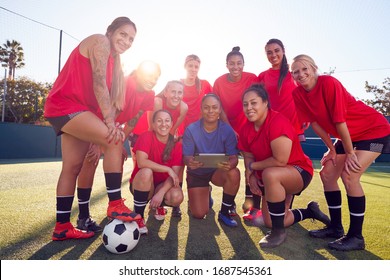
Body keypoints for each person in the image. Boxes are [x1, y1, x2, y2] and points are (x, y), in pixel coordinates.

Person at [44, 17, 141, 241]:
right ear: (110, 31)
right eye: (123, 34)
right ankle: (115, 205)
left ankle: (62, 226)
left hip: (75, 111)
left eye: (131, 39)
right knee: (114, 139)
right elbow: (98, 83)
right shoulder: (100, 42)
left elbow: (103, 96)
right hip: (66, 106)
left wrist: (104, 127)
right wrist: (109, 124)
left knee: (72, 167)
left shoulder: (115, 63)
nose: (126, 41)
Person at [291, 54, 390, 251]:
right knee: (327, 174)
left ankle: (356, 237)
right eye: (296, 72)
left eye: (304, 69)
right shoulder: (298, 94)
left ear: (314, 68)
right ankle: (335, 228)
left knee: (350, 174)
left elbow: (340, 121)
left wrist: (351, 153)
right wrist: (331, 149)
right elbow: (316, 124)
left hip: (375, 131)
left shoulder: (329, 83)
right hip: (348, 136)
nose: (301, 74)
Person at [239, 84, 331, 248]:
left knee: (270, 174)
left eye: (254, 103)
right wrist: (250, 175)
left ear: (265, 103)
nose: (249, 108)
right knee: (270, 220)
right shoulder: (246, 128)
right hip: (272, 176)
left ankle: (278, 233)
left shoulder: (277, 121)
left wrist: (253, 167)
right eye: (245, 104)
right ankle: (309, 211)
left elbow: (280, 160)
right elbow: (247, 155)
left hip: (298, 171)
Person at [74, 60, 160, 233]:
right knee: (90, 159)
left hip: (111, 126)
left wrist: (119, 143)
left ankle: (114, 206)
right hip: (91, 117)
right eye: (149, 75)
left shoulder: (149, 94)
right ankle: (83, 216)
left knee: (118, 156)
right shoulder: (126, 83)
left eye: (156, 77)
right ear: (138, 72)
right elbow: (106, 110)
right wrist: (98, 142)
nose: (152, 80)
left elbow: (133, 120)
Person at [251, 39, 304, 222]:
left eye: (276, 51)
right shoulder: (262, 76)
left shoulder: (293, 74)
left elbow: (304, 97)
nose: (273, 55)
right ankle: (258, 207)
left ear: (283, 51)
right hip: (270, 131)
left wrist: (305, 119)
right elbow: (255, 100)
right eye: (269, 52)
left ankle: (287, 207)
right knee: (270, 168)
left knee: (287, 168)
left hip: (292, 131)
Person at [182, 93, 240, 227]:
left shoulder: (227, 130)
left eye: (214, 107)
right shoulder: (191, 129)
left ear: (220, 109)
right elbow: (186, 157)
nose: (211, 111)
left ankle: (224, 212)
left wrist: (230, 164)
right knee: (199, 214)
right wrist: (190, 162)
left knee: (234, 172)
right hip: (197, 172)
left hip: (217, 171)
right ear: (201, 109)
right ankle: (205, 192)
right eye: (206, 108)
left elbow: (234, 158)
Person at [213, 46, 258, 215]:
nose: (235, 67)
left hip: (248, 128)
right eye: (232, 63)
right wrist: (230, 129)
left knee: (250, 165)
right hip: (226, 129)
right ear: (226, 65)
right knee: (227, 165)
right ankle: (228, 203)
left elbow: (258, 101)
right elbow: (219, 108)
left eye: (239, 63)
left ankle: (250, 205)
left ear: (244, 64)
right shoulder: (219, 82)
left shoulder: (252, 78)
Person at [130, 110, 184, 234]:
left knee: (177, 196)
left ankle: (159, 206)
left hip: (161, 185)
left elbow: (174, 176)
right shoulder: (146, 136)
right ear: (153, 124)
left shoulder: (177, 145)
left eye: (167, 121)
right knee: (146, 172)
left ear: (171, 124)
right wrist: (167, 169)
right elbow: (141, 162)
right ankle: (138, 216)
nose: (163, 124)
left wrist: (161, 193)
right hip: (142, 184)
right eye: (159, 121)